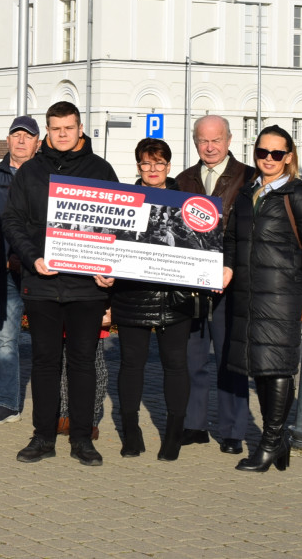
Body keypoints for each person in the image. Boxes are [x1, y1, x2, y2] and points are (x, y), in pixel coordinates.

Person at [3, 101, 118, 466]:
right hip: (42, 283)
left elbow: (119, 224)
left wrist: (111, 267)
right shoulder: (31, 172)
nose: (63, 134)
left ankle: (82, 439)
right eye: (55, 128)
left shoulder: (101, 171)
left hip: (87, 287)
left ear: (80, 128)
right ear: (47, 132)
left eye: (69, 127)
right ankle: (43, 437)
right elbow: (13, 221)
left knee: (83, 363)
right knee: (45, 363)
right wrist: (32, 258)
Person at [223, 126, 302, 472]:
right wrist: (227, 268)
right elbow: (231, 239)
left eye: (276, 153)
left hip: (282, 295)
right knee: (260, 368)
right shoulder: (247, 193)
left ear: (289, 157)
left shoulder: (294, 194)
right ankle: (278, 441)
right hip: (248, 295)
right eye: (262, 152)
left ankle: (270, 443)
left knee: (279, 367)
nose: (268, 159)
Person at [174, 114, 255, 455]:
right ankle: (194, 425)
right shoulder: (182, 180)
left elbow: (249, 233)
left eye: (216, 140)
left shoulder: (249, 178)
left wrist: (231, 266)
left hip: (230, 281)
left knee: (229, 358)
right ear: (195, 142)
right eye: (203, 141)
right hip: (190, 283)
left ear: (229, 140)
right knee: (192, 357)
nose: (209, 147)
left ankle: (233, 430)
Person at [111, 139, 193, 460]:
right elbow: (112, 245)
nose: (153, 169)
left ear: (169, 166)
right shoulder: (124, 203)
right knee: (132, 364)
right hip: (133, 294)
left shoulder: (187, 202)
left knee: (176, 365)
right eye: (147, 164)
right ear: (138, 167)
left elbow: (198, 244)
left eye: (159, 163)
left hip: (176, 296)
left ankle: (173, 433)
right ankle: (131, 432)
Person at [0, 115, 40, 426]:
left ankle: (57, 405)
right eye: (15, 136)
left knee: (48, 339)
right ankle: (8, 403)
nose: (20, 141)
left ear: (37, 143)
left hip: (41, 270)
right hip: (5, 268)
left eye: (27, 136)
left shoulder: (46, 175)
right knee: (5, 338)